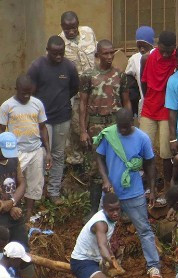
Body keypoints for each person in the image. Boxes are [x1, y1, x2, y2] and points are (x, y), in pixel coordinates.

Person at [95, 108, 163, 278]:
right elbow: (99, 157)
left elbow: (149, 164)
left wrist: (152, 190)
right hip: (111, 194)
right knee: (102, 229)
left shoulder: (142, 138)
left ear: (133, 122)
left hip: (134, 193)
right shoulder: (110, 135)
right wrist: (105, 179)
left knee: (144, 230)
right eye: (120, 127)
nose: (122, 131)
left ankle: (153, 266)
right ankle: (101, 263)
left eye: (126, 127)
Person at [79, 39, 131, 215]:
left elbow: (126, 102)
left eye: (111, 53)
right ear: (97, 55)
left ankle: (119, 208)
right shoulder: (88, 76)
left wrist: (129, 124)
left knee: (118, 164)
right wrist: (83, 131)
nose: (109, 57)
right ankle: (94, 210)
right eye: (105, 53)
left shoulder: (120, 75)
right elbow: (83, 105)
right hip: (96, 126)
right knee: (95, 168)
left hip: (116, 125)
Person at [27, 35, 79, 205]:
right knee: (42, 155)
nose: (58, 57)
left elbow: (74, 88)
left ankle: (53, 191)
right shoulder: (37, 66)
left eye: (61, 53)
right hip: (43, 121)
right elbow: (29, 91)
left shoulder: (69, 67)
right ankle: (38, 192)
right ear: (47, 51)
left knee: (58, 154)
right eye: (55, 53)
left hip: (62, 118)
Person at [0, 75, 51, 218]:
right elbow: (1, 130)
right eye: (23, 93)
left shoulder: (37, 104)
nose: (26, 96)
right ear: (16, 90)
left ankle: (28, 215)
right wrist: (0, 151)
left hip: (35, 150)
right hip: (16, 151)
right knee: (11, 183)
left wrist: (48, 151)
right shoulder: (7, 106)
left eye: (29, 92)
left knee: (34, 183)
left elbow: (43, 128)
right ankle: (12, 209)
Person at [140, 30, 177, 194]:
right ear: (157, 45)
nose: (166, 53)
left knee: (165, 151)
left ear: (174, 47)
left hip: (166, 110)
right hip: (149, 108)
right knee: (144, 148)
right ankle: (150, 185)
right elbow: (143, 82)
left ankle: (168, 186)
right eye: (163, 50)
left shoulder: (177, 58)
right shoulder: (147, 58)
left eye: (169, 50)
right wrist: (148, 99)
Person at [70, 191, 124, 278]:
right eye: (111, 210)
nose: (115, 213)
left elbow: (106, 242)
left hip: (92, 261)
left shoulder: (110, 219)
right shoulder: (100, 223)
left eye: (117, 209)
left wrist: (112, 256)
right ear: (103, 208)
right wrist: (110, 261)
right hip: (82, 262)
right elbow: (102, 245)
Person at [60, 11, 97, 168]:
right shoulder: (59, 42)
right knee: (76, 128)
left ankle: (94, 160)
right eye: (67, 28)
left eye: (74, 27)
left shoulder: (88, 32)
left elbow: (97, 55)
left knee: (93, 125)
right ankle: (76, 162)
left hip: (95, 91)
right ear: (62, 27)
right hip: (76, 93)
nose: (71, 31)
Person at [125, 26, 155, 116]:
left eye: (145, 46)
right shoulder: (134, 59)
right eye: (139, 46)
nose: (142, 49)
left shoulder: (158, 55)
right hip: (144, 105)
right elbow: (130, 84)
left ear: (151, 44)